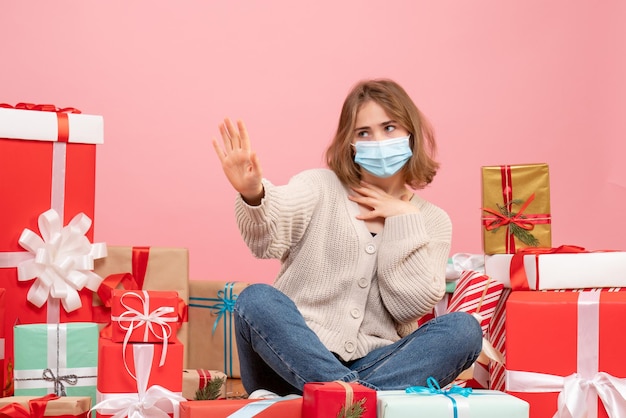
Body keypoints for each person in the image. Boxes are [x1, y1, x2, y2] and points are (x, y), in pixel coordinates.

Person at [212, 78, 482, 397]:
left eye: (389, 127)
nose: (378, 140)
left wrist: (403, 219)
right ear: (350, 143)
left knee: (464, 330)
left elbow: (408, 306)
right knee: (256, 298)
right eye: (363, 132)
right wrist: (253, 193)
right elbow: (267, 238)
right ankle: (358, 400)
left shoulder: (432, 220)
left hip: (377, 363)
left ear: (410, 133)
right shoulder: (321, 187)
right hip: (287, 361)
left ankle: (342, 399)